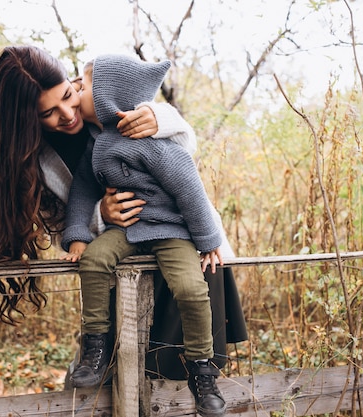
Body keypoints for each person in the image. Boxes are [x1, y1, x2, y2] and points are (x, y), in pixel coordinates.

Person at [0, 44, 247, 405]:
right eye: (49, 113)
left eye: (70, 95)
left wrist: (160, 116)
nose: (69, 114)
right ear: (25, 121)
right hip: (118, 259)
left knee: (178, 380)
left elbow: (180, 154)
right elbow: (62, 229)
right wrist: (100, 215)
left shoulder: (102, 105)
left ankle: (201, 378)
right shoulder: (29, 162)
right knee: (115, 384)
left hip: (185, 242)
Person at [61, 55, 227, 416]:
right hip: (127, 229)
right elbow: (82, 191)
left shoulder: (150, 139)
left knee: (190, 287)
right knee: (94, 259)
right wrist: (77, 235)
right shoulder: (98, 144)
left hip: (171, 230)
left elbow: (188, 186)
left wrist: (208, 239)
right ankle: (95, 345)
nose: (77, 92)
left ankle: (202, 366)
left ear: (107, 95)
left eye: (85, 86)